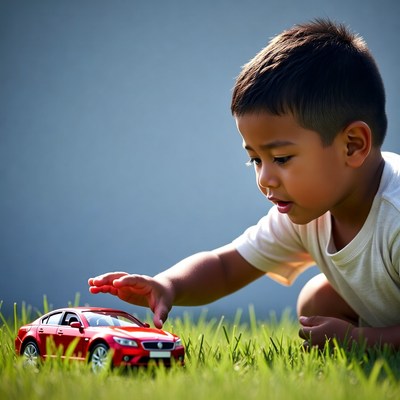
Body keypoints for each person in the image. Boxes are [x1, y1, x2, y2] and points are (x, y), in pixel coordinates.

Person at [88, 18, 400, 349]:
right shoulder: (309, 212)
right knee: (317, 303)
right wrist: (168, 285)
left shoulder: (394, 219)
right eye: (255, 159)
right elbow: (226, 266)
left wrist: (360, 340)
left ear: (352, 145)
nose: (265, 178)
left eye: (281, 159)